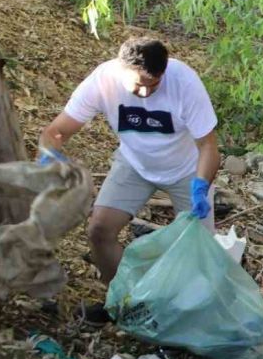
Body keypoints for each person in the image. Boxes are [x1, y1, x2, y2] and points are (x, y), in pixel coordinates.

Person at [38, 36, 220, 318]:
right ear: (120, 69)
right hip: (134, 163)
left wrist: (201, 186)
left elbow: (208, 146)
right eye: (138, 85)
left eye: (154, 86)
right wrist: (51, 159)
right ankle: (122, 301)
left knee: (197, 250)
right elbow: (56, 132)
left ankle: (185, 317)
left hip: (186, 170)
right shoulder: (103, 80)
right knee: (99, 230)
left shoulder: (184, 82)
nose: (145, 94)